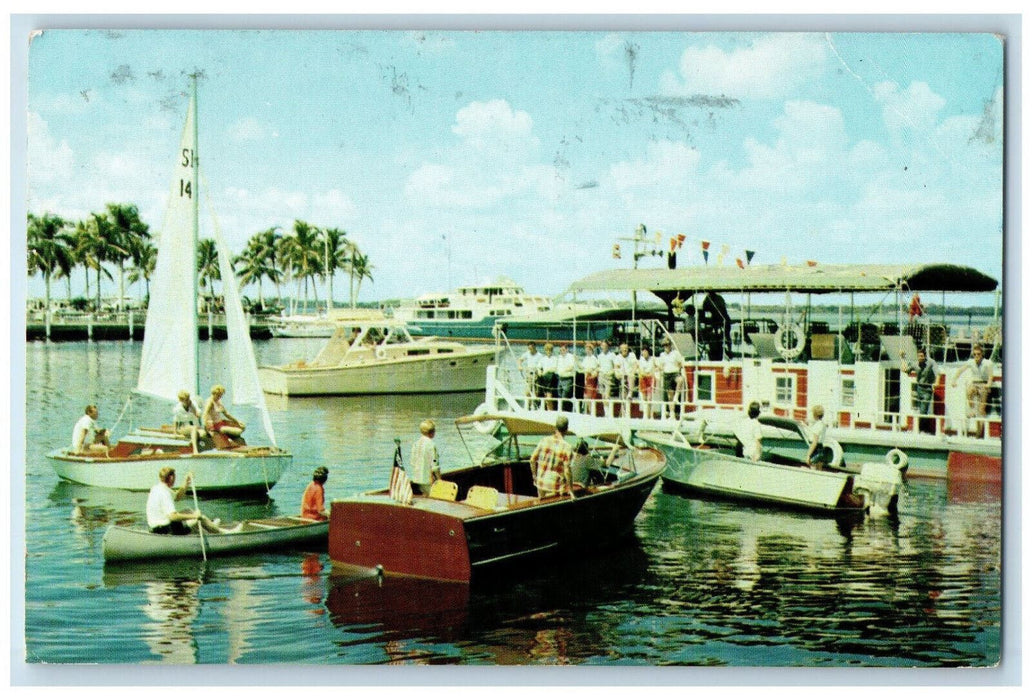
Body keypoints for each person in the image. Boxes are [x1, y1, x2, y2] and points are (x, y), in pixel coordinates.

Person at [146, 467, 225, 535]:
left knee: (187, 511)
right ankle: (222, 533)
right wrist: (195, 516)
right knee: (200, 518)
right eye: (174, 477)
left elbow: (177, 496)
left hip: (157, 527)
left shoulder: (157, 488)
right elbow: (173, 516)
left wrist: (186, 482)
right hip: (165, 530)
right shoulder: (165, 493)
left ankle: (210, 526)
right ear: (171, 478)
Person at [952, 343, 994, 435]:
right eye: (974, 354)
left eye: (978, 354)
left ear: (982, 354)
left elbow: (991, 376)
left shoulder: (988, 363)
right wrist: (954, 380)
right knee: (969, 389)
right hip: (974, 383)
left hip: (983, 384)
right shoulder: (971, 362)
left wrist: (988, 385)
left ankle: (979, 433)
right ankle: (971, 410)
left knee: (981, 410)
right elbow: (960, 370)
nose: (976, 356)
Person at [529, 415, 575, 499]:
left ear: (555, 427)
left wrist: (534, 476)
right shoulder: (567, 447)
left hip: (541, 482)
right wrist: (571, 490)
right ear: (567, 429)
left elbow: (532, 460)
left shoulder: (544, 440)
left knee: (541, 506)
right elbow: (567, 470)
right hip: (555, 485)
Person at [900, 347, 938, 417]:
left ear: (925, 356)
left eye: (921, 356)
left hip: (927, 390)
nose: (920, 358)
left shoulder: (931, 363)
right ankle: (923, 427)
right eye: (918, 356)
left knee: (923, 412)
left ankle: (922, 427)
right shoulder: (915, 364)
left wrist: (936, 382)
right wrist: (902, 358)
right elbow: (905, 370)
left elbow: (938, 373)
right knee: (920, 411)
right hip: (919, 389)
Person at [409, 419, 441, 495]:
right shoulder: (431, 445)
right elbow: (434, 465)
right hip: (427, 480)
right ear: (432, 432)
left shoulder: (415, 444)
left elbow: (412, 462)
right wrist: (440, 480)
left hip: (416, 479)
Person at [658, 338, 685, 417]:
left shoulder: (675, 353)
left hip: (675, 373)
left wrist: (679, 369)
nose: (666, 347)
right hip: (666, 374)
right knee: (670, 396)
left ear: (670, 345)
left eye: (667, 345)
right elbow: (661, 365)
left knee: (680, 380)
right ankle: (672, 413)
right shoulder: (662, 355)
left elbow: (680, 363)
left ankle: (677, 396)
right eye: (665, 345)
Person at [805, 405, 830, 469]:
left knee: (813, 469)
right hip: (821, 448)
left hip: (816, 449)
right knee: (819, 469)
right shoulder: (823, 424)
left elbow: (814, 442)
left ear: (814, 415)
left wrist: (808, 455)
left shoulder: (817, 426)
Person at [597, 340, 616, 416]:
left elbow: (615, 366)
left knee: (607, 395)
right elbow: (598, 366)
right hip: (601, 375)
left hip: (609, 376)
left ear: (608, 346)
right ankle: (606, 412)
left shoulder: (612, 355)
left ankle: (608, 413)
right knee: (603, 395)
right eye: (602, 346)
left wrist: (612, 372)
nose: (604, 347)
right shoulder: (600, 355)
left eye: (605, 346)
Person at [518, 342, 540, 407]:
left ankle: (536, 406)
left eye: (532, 348)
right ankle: (528, 406)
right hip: (529, 374)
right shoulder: (527, 354)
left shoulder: (539, 355)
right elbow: (520, 360)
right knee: (528, 392)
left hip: (537, 374)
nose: (530, 350)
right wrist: (520, 366)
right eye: (529, 348)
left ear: (535, 347)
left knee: (536, 392)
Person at [555, 344, 577, 412]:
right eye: (560, 350)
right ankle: (561, 410)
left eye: (563, 350)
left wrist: (564, 370)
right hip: (560, 378)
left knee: (565, 396)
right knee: (559, 395)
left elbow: (571, 367)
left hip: (567, 379)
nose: (562, 351)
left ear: (567, 350)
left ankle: (565, 411)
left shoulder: (570, 356)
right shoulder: (559, 357)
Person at [579, 341, 599, 414]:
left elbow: (592, 369)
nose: (587, 350)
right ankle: (588, 412)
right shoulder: (586, 358)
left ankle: (591, 413)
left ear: (591, 350)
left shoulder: (594, 358)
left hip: (590, 379)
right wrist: (576, 360)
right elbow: (582, 367)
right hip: (586, 379)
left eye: (588, 349)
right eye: (586, 349)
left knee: (590, 397)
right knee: (586, 396)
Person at [537, 343, 558, 410]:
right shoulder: (543, 359)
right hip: (544, 379)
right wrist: (539, 371)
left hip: (551, 379)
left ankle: (550, 410)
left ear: (552, 351)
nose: (548, 352)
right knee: (543, 394)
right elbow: (538, 367)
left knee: (549, 396)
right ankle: (544, 408)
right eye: (547, 350)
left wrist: (546, 371)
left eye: (550, 350)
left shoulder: (555, 359)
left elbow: (554, 369)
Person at [637, 346, 656, 418]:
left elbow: (656, 367)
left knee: (649, 398)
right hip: (643, 379)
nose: (644, 353)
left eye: (645, 351)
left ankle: (649, 415)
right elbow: (640, 370)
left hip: (650, 378)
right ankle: (645, 414)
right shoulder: (641, 360)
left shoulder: (652, 359)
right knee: (644, 398)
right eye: (643, 351)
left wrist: (653, 371)